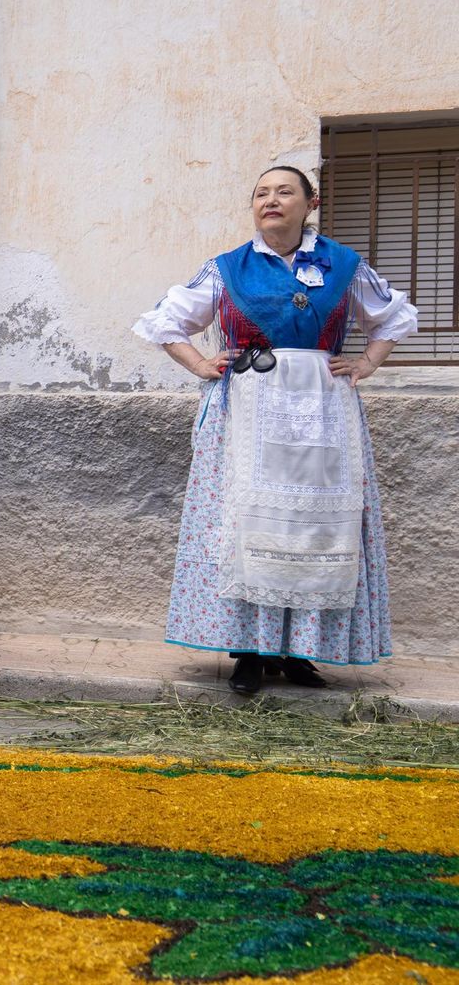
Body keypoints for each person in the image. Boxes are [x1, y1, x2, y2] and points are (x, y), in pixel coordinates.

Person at [133, 165, 417, 694]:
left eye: (284, 191)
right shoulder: (226, 269)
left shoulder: (343, 265)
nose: (271, 200)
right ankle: (247, 651)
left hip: (323, 409)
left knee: (312, 526)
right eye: (261, 192)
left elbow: (392, 318)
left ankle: (297, 652)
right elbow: (164, 322)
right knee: (244, 522)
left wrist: (367, 363)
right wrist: (200, 365)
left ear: (311, 202)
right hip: (248, 407)